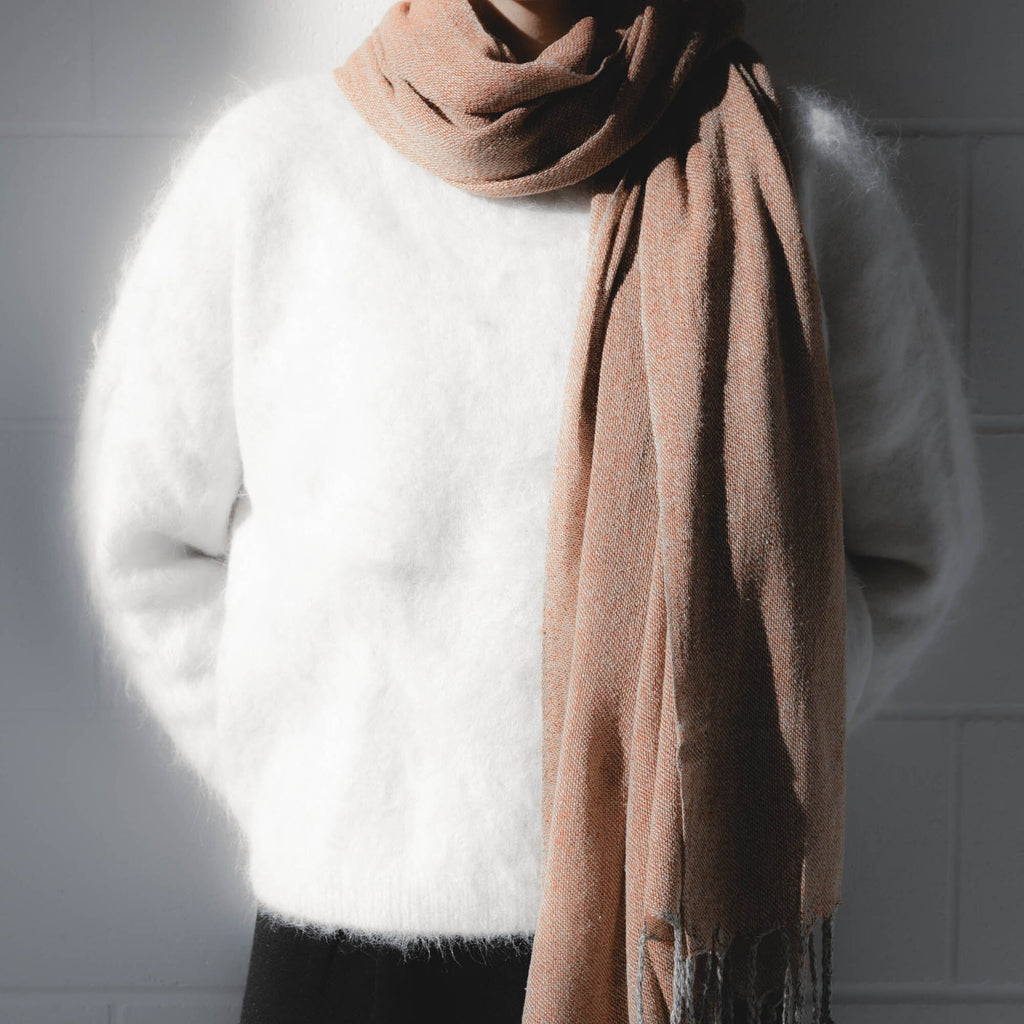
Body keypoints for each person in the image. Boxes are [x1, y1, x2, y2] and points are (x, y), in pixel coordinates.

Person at [69, 0, 985, 1021]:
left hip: (679, 945)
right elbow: (143, 537)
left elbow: (907, 548)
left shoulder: (791, 171)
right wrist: (316, 777)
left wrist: (726, 759)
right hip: (347, 953)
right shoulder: (274, 172)